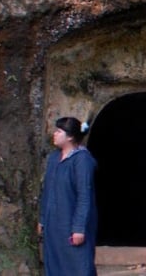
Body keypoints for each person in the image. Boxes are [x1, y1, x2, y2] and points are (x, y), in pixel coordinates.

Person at [39, 117, 98, 276]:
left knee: (78, 266)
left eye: (59, 131)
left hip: (71, 226)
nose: (55, 134)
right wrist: (43, 219)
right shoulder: (53, 159)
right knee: (55, 265)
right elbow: (47, 191)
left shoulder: (82, 160)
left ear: (70, 137)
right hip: (54, 225)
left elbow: (84, 196)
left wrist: (79, 228)